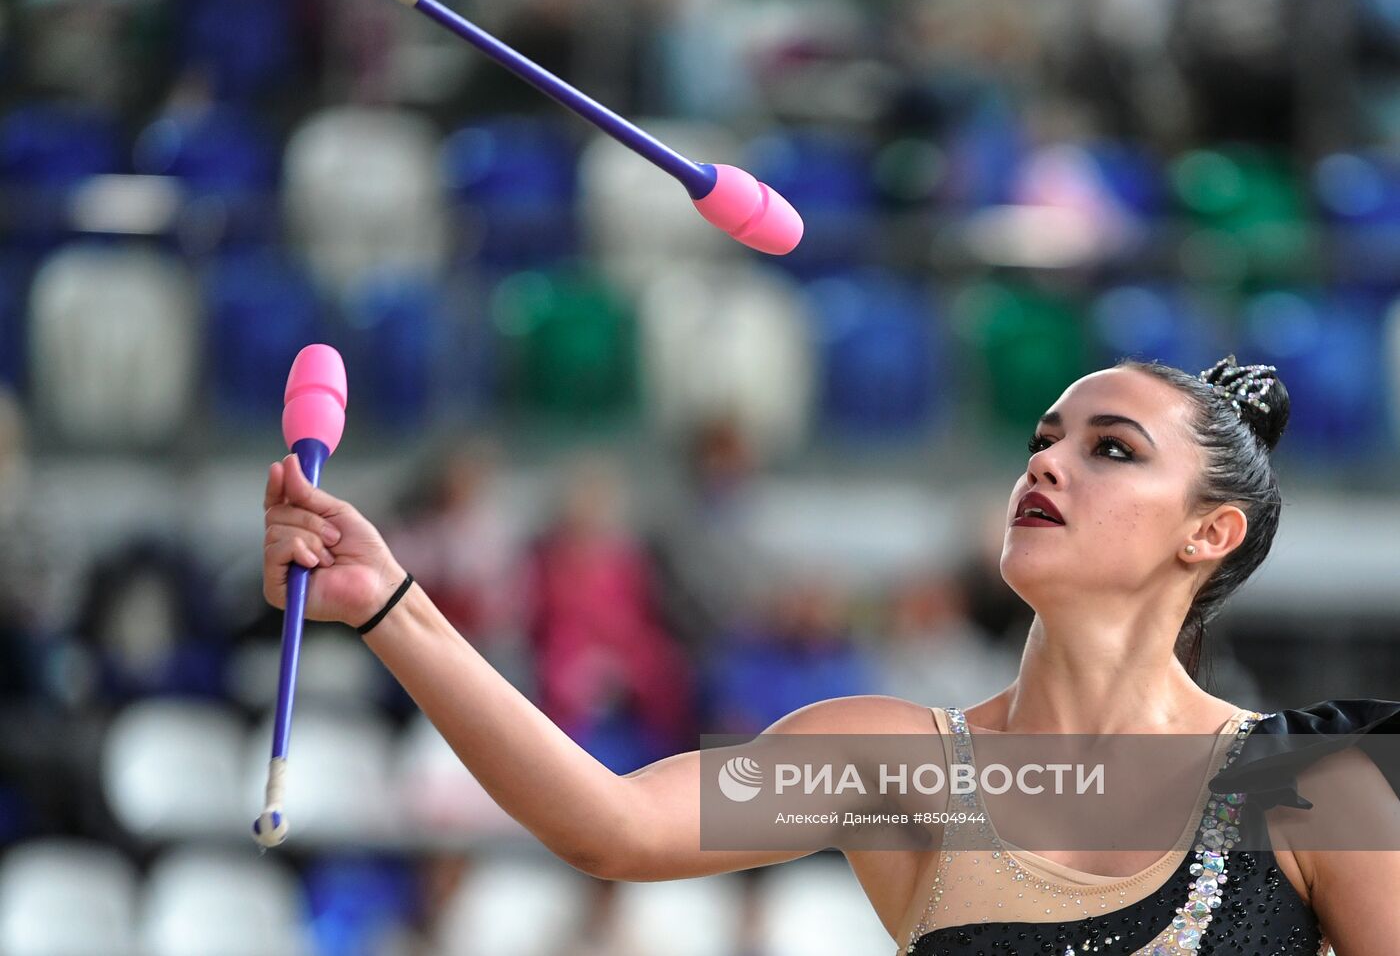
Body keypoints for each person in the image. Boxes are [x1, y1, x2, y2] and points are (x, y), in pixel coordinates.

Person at [260, 354, 1400, 954]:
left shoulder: (1312, 790)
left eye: (1109, 448)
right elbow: (607, 823)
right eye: (1040, 438)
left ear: (1209, 532)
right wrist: (389, 604)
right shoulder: (888, 765)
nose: (1045, 464)